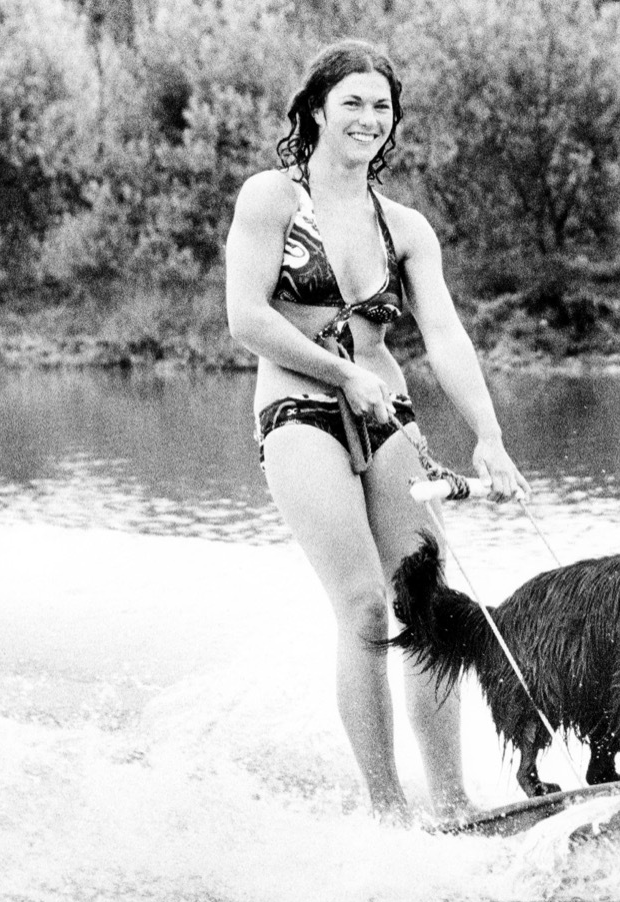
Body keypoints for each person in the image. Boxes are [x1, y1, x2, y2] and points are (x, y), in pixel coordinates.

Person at [225, 38, 530, 820]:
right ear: (317, 110)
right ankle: (387, 809)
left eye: (381, 107)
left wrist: (488, 435)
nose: (367, 118)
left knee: (425, 604)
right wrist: (342, 375)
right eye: (352, 102)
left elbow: (447, 335)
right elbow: (247, 318)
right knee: (363, 605)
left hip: (388, 413)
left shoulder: (406, 228)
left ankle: (454, 803)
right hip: (299, 411)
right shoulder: (270, 198)